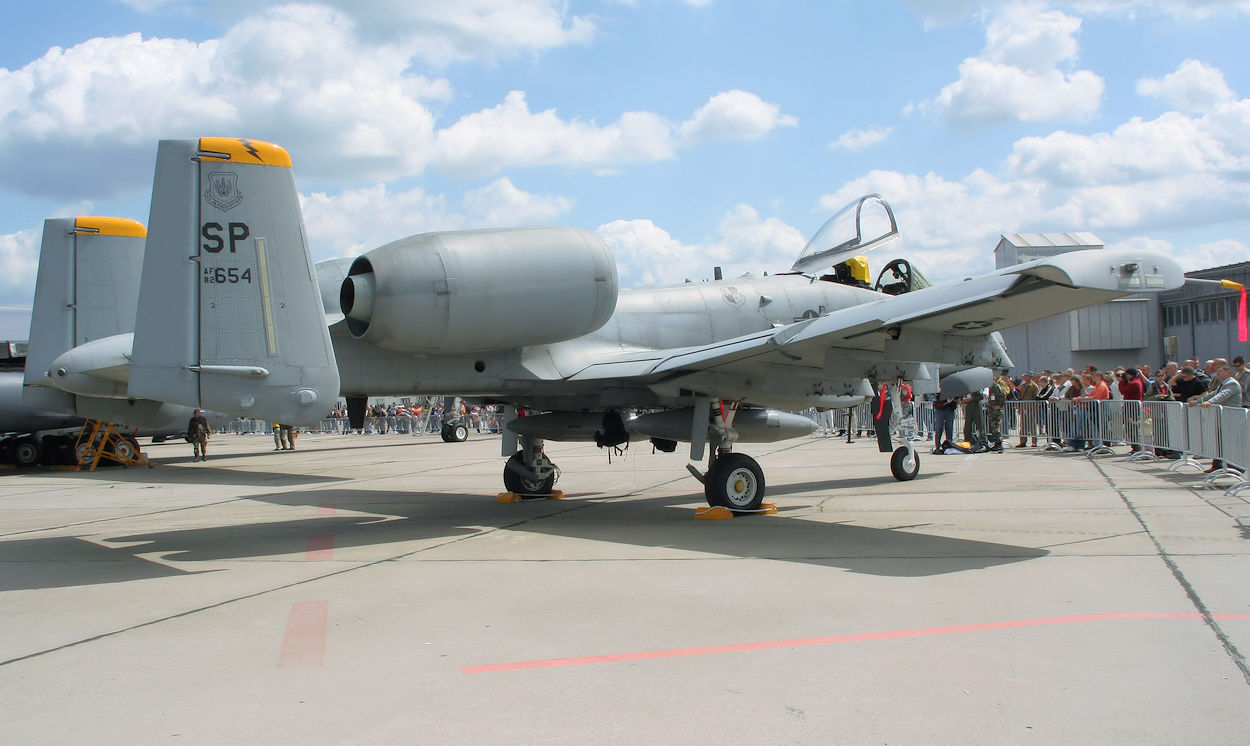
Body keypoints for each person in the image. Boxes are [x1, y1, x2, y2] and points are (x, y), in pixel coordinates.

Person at [1187, 364, 1244, 473]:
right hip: (1223, 418)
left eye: (1220, 371)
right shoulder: (1222, 384)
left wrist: (1210, 402)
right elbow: (1212, 394)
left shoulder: (1231, 383)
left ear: (1228, 372)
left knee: (1230, 443)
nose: (1217, 373)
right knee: (1220, 442)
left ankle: (1236, 468)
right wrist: (1198, 401)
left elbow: (1222, 395)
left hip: (1232, 419)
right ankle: (1218, 465)